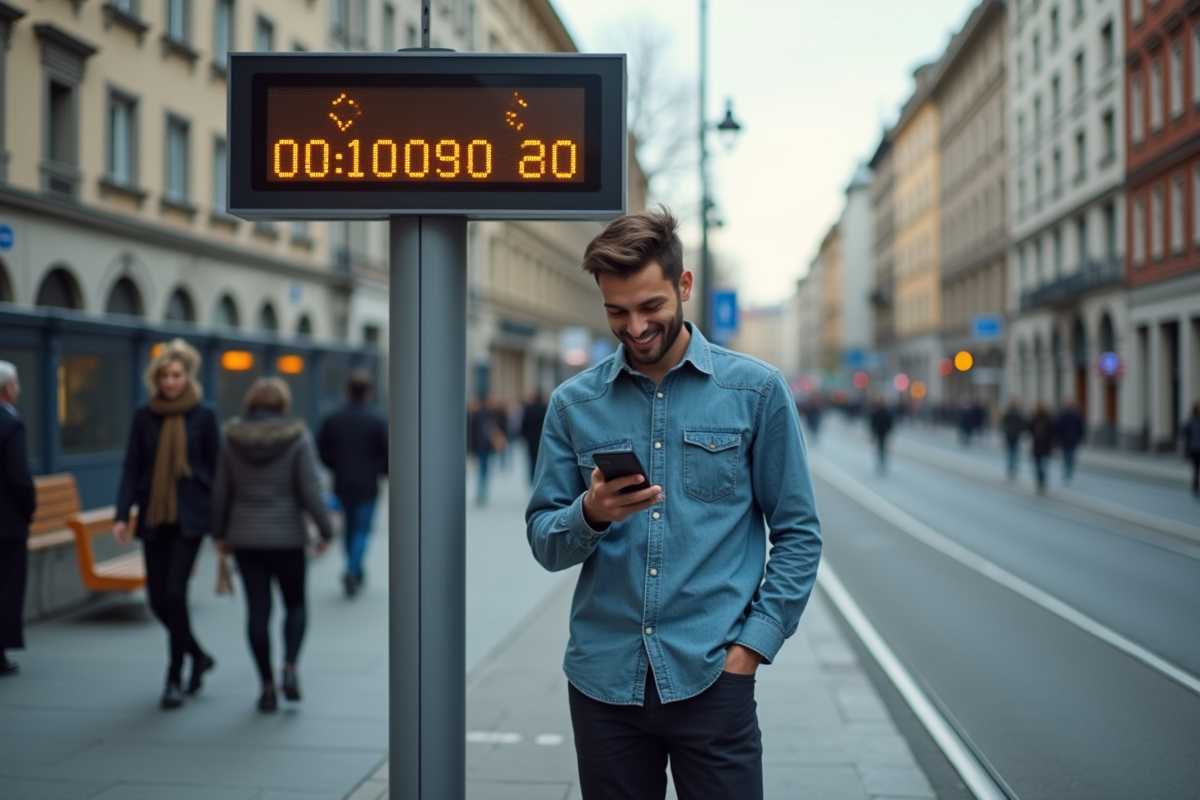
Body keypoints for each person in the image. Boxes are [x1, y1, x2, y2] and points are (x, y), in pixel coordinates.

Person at [526, 208, 822, 800]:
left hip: (714, 678)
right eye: (616, 311)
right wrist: (591, 513)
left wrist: (752, 648)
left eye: (650, 306)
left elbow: (798, 533)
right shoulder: (572, 405)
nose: (634, 327)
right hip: (603, 685)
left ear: (684, 287)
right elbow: (543, 539)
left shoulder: (755, 391)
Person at [212, 378, 334, 713]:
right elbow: (311, 490)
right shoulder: (298, 437)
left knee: (257, 611)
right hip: (288, 538)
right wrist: (326, 531)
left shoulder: (231, 438)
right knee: (295, 604)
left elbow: (221, 490)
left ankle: (265, 686)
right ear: (283, 403)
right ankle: (290, 669)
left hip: (246, 537)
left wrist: (220, 534)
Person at [114, 339, 220, 709]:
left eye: (176, 376)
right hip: (154, 517)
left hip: (191, 518)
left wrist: (219, 518)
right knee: (157, 600)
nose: (170, 383)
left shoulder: (205, 415)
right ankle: (198, 654)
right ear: (155, 379)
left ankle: (173, 676)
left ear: (187, 376)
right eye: (164, 377)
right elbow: (132, 465)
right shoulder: (145, 414)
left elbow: (216, 467)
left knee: (176, 594)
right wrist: (121, 513)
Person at [317, 370, 387, 598]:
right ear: (368, 393)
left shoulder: (333, 418)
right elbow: (387, 454)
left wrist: (334, 465)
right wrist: (378, 471)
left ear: (347, 392)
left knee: (348, 529)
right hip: (367, 484)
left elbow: (320, 449)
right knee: (362, 530)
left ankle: (353, 568)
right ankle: (352, 569)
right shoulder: (377, 420)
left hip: (342, 483)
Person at [0, 362, 36, 677]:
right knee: (8, 587)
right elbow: (19, 478)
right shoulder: (11, 424)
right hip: (7, 524)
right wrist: (29, 511)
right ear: (8, 388)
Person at [468, 396, 505, 505]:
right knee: (484, 470)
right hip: (485, 447)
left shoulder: (474, 417)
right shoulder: (488, 416)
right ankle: (482, 493)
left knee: (482, 470)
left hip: (480, 447)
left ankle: (481, 493)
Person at [520, 389, 548, 484]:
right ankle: (539, 479)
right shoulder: (544, 408)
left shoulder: (528, 409)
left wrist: (524, 436)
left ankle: (532, 479)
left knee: (532, 461)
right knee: (540, 461)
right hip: (542, 439)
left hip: (531, 440)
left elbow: (524, 425)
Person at [1055, 398, 1086, 484]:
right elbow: (1057, 428)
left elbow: (1080, 427)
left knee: (1071, 457)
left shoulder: (1075, 415)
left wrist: (1080, 437)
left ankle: (1069, 471)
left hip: (1073, 439)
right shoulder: (1061, 415)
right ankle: (1067, 472)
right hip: (1064, 439)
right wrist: (1057, 438)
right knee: (1065, 456)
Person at [1028, 403, 1055, 493]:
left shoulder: (1036, 419)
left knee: (1038, 464)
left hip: (1038, 446)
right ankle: (1042, 478)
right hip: (1044, 446)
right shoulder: (1047, 419)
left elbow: (1029, 429)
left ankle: (1040, 479)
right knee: (1043, 464)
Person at [1001, 399, 1026, 480]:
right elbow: (1004, 425)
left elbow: (1022, 425)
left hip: (1015, 436)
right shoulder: (1009, 415)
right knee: (1012, 452)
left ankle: (1012, 468)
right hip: (1010, 436)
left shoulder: (1017, 415)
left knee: (1013, 452)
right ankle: (1011, 468)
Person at [869, 397, 895, 474]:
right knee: (883, 448)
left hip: (878, 432)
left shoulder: (876, 412)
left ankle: (880, 462)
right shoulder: (887, 412)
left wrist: (872, 434)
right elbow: (890, 424)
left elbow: (872, 424)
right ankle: (882, 462)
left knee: (880, 448)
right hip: (884, 433)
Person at [1182, 402, 1200, 497]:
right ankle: (1195, 487)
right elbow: (1184, 432)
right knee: (1196, 469)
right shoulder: (1190, 421)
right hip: (1194, 449)